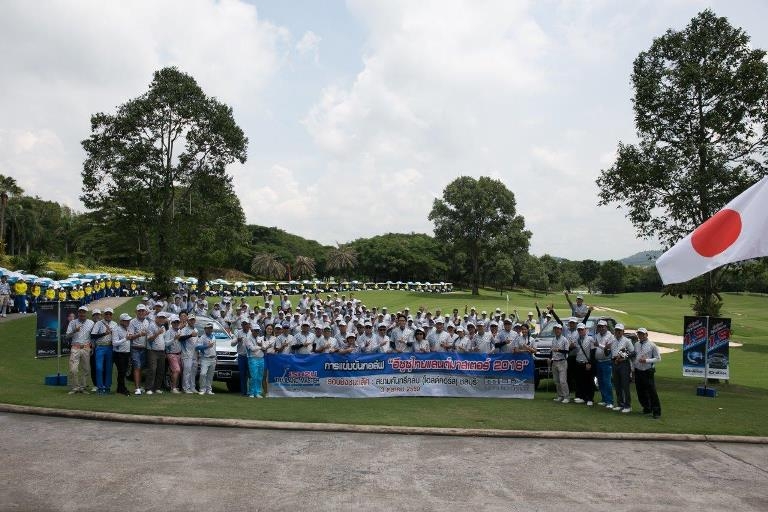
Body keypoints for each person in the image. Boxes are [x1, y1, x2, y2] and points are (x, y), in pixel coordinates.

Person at [633, 327, 662, 418]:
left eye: (642, 334)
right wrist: (633, 368)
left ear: (646, 335)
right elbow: (635, 357)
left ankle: (656, 411)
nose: (640, 335)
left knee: (651, 391)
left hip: (647, 371)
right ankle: (647, 407)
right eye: (639, 334)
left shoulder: (652, 345)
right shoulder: (636, 344)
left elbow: (658, 358)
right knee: (640, 391)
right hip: (638, 370)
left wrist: (646, 360)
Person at [65, 306, 94, 394]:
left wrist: (92, 346)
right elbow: (67, 335)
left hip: (86, 348)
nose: (82, 314)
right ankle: (75, 387)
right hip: (75, 347)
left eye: (84, 312)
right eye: (80, 312)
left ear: (86, 313)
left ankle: (82, 387)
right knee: (73, 369)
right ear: (78, 313)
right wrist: (75, 330)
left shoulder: (91, 323)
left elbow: (93, 335)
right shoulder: (73, 322)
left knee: (86, 369)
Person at [609, 324, 634, 413]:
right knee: (617, 384)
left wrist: (623, 357)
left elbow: (632, 353)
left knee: (625, 385)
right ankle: (620, 404)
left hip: (624, 364)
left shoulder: (627, 341)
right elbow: (610, 352)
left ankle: (628, 405)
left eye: (619, 330)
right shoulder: (612, 340)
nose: (618, 332)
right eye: (616, 330)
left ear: (623, 331)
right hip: (614, 363)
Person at [91, 308, 116, 395]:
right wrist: (104, 333)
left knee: (109, 368)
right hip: (100, 347)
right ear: (104, 315)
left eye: (110, 314)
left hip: (110, 347)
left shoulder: (114, 324)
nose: (108, 315)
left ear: (112, 315)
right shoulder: (99, 323)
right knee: (99, 368)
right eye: (106, 314)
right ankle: (100, 387)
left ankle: (107, 387)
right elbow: (93, 335)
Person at [127, 304, 149, 395]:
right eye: (139, 311)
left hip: (145, 348)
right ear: (136, 312)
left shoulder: (147, 321)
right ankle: (137, 388)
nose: (141, 312)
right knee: (137, 367)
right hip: (135, 348)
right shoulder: (132, 322)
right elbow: (130, 336)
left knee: (141, 368)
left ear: (145, 312)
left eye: (142, 311)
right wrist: (139, 334)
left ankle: (139, 386)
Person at [592, 319, 615, 408]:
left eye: (602, 327)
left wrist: (599, 345)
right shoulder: (597, 335)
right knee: (600, 382)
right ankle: (604, 399)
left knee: (607, 382)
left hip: (607, 362)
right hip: (598, 362)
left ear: (606, 327)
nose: (601, 328)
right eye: (599, 327)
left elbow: (608, 349)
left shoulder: (610, 336)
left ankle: (610, 401)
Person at [571, 323, 595, 406]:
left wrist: (590, 363)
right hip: (578, 362)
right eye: (579, 330)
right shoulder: (577, 339)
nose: (580, 331)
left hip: (586, 363)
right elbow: (574, 349)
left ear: (585, 330)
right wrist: (571, 346)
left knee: (589, 381)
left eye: (582, 329)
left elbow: (593, 352)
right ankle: (582, 397)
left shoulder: (590, 339)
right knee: (580, 381)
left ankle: (590, 398)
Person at [145, 312, 168, 395]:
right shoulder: (151, 326)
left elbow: (164, 340)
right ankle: (148, 388)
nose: (162, 319)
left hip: (162, 351)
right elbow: (149, 339)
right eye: (160, 317)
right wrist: (157, 333)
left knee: (161, 370)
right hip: (152, 351)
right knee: (152, 369)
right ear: (156, 318)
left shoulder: (163, 327)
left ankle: (157, 388)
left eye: (163, 318)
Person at [112, 313, 132, 395]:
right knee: (122, 371)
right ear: (121, 321)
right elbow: (114, 343)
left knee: (124, 371)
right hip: (119, 353)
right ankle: (122, 388)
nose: (128, 322)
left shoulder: (127, 328)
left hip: (126, 353)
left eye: (128, 320)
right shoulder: (116, 329)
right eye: (126, 320)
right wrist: (125, 339)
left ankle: (120, 388)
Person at [179, 316, 199, 394]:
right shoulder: (184, 329)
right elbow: (180, 339)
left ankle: (192, 387)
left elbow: (196, 342)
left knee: (193, 372)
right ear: (187, 321)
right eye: (190, 320)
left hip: (194, 354)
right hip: (186, 353)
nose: (192, 321)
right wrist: (190, 335)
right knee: (187, 371)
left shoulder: (196, 330)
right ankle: (185, 388)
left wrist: (198, 353)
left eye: (193, 320)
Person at [550, 324, 570, 403]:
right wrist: (550, 358)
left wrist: (558, 350)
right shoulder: (553, 339)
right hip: (554, 361)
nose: (557, 330)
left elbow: (567, 351)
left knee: (562, 381)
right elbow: (552, 350)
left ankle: (566, 397)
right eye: (555, 329)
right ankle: (560, 396)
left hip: (562, 361)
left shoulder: (565, 340)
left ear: (561, 330)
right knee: (556, 381)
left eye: (558, 329)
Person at [232, 320, 252, 396]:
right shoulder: (238, 332)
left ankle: (251, 391)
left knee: (250, 374)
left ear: (249, 325)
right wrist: (237, 340)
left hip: (250, 357)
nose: (244, 326)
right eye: (243, 324)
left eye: (246, 324)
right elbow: (232, 344)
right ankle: (244, 392)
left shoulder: (252, 332)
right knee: (242, 375)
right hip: (241, 356)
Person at [245, 325, 265, 398]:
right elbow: (252, 349)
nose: (257, 332)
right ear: (252, 330)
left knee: (259, 377)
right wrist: (260, 347)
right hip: (252, 358)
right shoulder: (248, 338)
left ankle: (258, 392)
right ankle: (251, 392)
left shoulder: (260, 338)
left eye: (258, 330)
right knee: (253, 376)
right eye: (255, 330)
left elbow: (264, 347)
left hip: (261, 358)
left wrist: (261, 346)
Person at [197, 322, 217, 395]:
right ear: (205, 329)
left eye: (210, 328)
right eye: (208, 328)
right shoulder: (202, 337)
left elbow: (214, 348)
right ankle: (202, 389)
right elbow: (198, 347)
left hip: (213, 358)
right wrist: (207, 346)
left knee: (210, 375)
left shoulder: (214, 337)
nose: (209, 329)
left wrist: (216, 357)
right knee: (203, 374)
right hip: (205, 358)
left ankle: (209, 390)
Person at [165, 315, 183, 393]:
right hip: (171, 354)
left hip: (179, 354)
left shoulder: (179, 331)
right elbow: (166, 344)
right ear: (171, 323)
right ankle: (173, 388)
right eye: (174, 322)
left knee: (177, 371)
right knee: (176, 370)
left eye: (177, 322)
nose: (176, 323)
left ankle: (174, 386)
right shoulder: (168, 332)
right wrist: (174, 339)